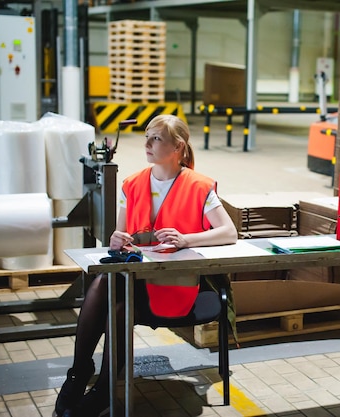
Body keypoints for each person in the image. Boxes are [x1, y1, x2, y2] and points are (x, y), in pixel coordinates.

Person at [53, 114, 238, 417]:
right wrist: (115, 240)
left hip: (175, 284)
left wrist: (186, 240)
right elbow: (120, 236)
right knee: (106, 287)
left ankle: (95, 385)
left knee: (117, 305)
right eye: (147, 137)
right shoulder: (133, 184)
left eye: (156, 138)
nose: (147, 144)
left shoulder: (199, 186)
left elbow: (229, 232)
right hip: (137, 279)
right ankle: (85, 376)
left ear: (177, 146)